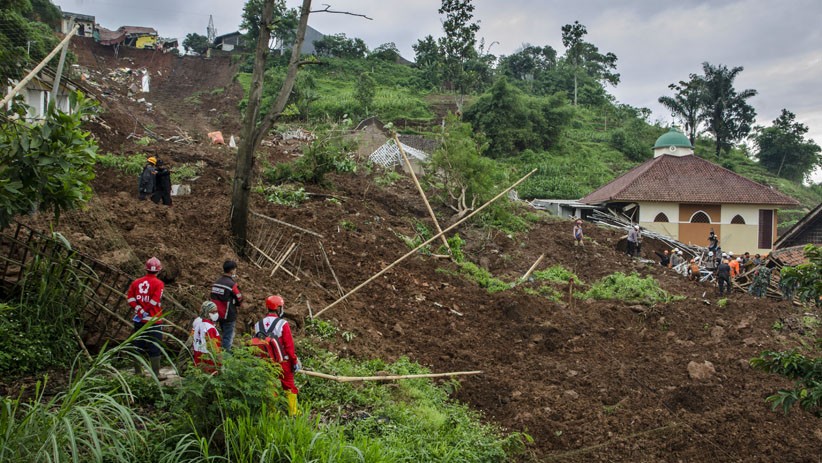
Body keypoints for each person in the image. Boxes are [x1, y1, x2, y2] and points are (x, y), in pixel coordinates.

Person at [256, 295, 302, 416]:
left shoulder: (258, 324)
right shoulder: (282, 324)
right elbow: (289, 346)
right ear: (278, 308)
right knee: (289, 385)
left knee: (270, 387)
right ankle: (293, 413)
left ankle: (272, 413)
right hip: (283, 362)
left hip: (265, 362)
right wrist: (294, 361)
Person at [126, 257, 165, 377]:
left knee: (137, 345)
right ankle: (156, 374)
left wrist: (139, 309)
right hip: (153, 320)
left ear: (146, 269)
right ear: (158, 270)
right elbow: (155, 301)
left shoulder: (136, 282)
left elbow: (130, 298)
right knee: (154, 346)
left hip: (139, 320)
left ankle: (138, 372)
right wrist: (145, 311)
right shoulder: (159, 283)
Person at [210, 260, 244, 352]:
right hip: (228, 315)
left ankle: (216, 355)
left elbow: (212, 296)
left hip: (216, 314)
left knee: (218, 335)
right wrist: (237, 303)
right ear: (232, 270)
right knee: (227, 339)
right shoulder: (232, 285)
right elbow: (239, 298)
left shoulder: (216, 283)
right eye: (235, 269)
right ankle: (225, 360)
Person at [192, 301, 221, 373]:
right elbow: (213, 347)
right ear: (206, 313)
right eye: (213, 312)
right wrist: (219, 362)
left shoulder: (198, 324)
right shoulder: (209, 328)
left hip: (198, 357)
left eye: (216, 311)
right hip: (209, 360)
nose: (216, 314)